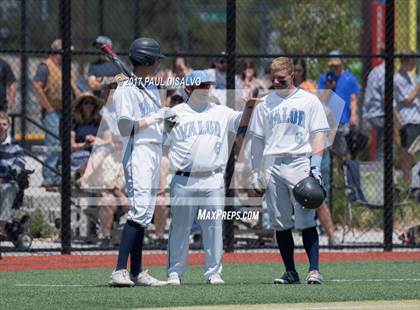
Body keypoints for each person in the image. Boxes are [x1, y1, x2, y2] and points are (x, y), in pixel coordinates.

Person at [165, 70, 256, 285]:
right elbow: (162, 141)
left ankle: (213, 272)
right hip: (183, 179)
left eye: (208, 85)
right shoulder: (174, 113)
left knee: (214, 227)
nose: (206, 89)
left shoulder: (221, 112)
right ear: (188, 89)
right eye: (201, 85)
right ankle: (174, 272)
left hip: (213, 179)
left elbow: (242, 123)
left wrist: (250, 106)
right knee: (180, 227)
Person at [250, 57, 329, 284]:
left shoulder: (308, 100)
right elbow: (257, 140)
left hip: (299, 163)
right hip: (273, 164)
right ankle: (291, 272)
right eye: (273, 78)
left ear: (292, 75)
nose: (276, 81)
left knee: (306, 220)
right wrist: (256, 171)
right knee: (280, 222)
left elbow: (319, 134)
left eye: (281, 78)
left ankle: (314, 270)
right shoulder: (265, 103)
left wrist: (315, 166)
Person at [108, 37, 168, 287]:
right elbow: (125, 127)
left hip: (153, 150)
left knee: (144, 213)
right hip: (138, 152)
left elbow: (154, 123)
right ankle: (119, 270)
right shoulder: (126, 89)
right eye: (155, 60)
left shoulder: (150, 87)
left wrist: (167, 122)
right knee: (139, 211)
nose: (158, 64)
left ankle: (137, 271)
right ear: (145, 60)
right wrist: (155, 118)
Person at [293, 58, 337, 246]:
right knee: (284, 200)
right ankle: (275, 240)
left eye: (299, 70)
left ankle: (333, 237)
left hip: (315, 150)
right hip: (295, 153)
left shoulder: (308, 89)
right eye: (293, 70)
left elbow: (324, 115)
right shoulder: (282, 93)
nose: (296, 73)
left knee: (317, 196)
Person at [33, 39, 81, 188]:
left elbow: (74, 88)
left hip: (67, 110)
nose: (69, 55)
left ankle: (59, 176)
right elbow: (36, 86)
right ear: (57, 51)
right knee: (53, 141)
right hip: (52, 110)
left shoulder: (66, 68)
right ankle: (49, 177)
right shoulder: (45, 66)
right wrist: (48, 108)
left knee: (65, 142)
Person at [318, 50, 360, 159]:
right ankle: (330, 174)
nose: (334, 68)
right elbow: (320, 99)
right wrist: (328, 88)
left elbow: (353, 98)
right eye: (332, 66)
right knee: (327, 153)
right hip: (328, 121)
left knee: (343, 152)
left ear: (342, 63)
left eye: (337, 65)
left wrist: (354, 114)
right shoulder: (325, 78)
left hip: (343, 120)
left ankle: (343, 173)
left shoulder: (350, 78)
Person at [71, 93, 112, 185]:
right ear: (81, 105)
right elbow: (71, 145)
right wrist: (84, 144)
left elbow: (109, 141)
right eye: (86, 103)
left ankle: (83, 180)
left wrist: (96, 140)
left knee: (101, 151)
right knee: (96, 161)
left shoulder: (101, 121)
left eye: (92, 103)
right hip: (80, 153)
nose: (89, 105)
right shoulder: (74, 122)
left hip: (98, 151)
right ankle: (96, 193)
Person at [97, 136, 128, 247]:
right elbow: (109, 183)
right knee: (106, 201)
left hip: (132, 193)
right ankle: (106, 237)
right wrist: (122, 196)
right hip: (115, 195)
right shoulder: (109, 160)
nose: (118, 145)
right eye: (115, 142)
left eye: (120, 142)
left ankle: (139, 238)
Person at [394, 51, 420, 182]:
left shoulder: (410, 75)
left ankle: (414, 180)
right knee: (407, 153)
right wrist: (418, 88)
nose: (414, 64)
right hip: (407, 119)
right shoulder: (397, 79)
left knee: (414, 152)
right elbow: (407, 100)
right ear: (404, 62)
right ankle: (407, 182)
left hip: (417, 117)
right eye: (412, 61)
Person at [0, 112, 25, 237]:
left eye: (4, 124)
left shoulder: (16, 146)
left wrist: (6, 173)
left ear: (8, 126)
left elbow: (19, 165)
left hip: (8, 181)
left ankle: (2, 226)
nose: (1, 127)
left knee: (7, 188)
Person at [362, 59, 385, 160]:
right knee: (384, 144)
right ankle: (381, 166)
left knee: (381, 142)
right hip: (379, 112)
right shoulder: (384, 72)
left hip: (370, 112)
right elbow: (386, 96)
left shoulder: (375, 71)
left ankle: (380, 165)